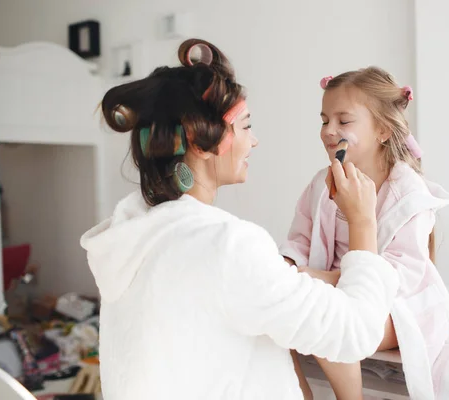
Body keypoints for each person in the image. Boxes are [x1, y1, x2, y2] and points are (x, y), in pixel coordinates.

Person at [80, 39, 400, 400]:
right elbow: (355, 332)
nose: (255, 141)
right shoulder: (228, 247)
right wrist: (362, 222)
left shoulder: (134, 240)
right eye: (246, 127)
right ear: (201, 143)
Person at [281, 68, 449, 399]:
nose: (329, 131)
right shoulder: (319, 185)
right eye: (324, 120)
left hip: (397, 308)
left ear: (382, 130)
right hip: (339, 290)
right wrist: (283, 269)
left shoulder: (408, 195)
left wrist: (321, 279)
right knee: (276, 313)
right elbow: (298, 242)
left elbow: (399, 277)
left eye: (344, 121)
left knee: (330, 319)